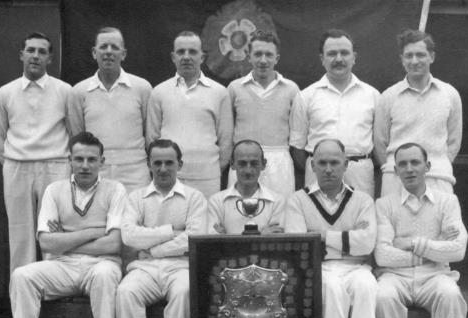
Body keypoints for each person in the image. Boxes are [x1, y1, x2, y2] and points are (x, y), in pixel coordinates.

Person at [3, 132, 127, 318]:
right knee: (22, 275)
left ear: (102, 161)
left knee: (104, 275)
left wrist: (67, 240)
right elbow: (46, 241)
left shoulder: (115, 190)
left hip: (102, 265)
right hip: (63, 266)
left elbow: (114, 244)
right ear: (69, 160)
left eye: (91, 159)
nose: (85, 165)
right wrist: (93, 232)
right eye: (78, 158)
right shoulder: (54, 190)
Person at [0, 31, 72, 318]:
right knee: (22, 242)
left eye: (42, 52)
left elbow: (74, 132)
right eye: (30, 51)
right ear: (21, 55)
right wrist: (15, 164)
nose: (35, 56)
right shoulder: (6, 92)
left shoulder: (64, 91)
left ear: (50, 58)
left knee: (54, 240)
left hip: (55, 167)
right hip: (17, 168)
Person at [285, 139, 382, 318]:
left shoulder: (363, 200)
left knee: (366, 285)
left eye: (335, 163)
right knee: (331, 287)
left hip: (356, 268)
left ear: (346, 165)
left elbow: (367, 244)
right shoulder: (298, 200)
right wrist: (348, 238)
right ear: (312, 165)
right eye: (322, 163)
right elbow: (299, 246)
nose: (328, 169)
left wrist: (322, 236)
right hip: (319, 269)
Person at [375, 142, 468, 318]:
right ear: (395, 170)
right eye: (403, 164)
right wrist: (433, 250)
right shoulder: (384, 205)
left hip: (435, 276)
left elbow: (458, 249)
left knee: (450, 293)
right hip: (395, 276)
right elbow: (383, 255)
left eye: (415, 162)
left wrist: (412, 243)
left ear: (427, 166)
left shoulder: (448, 202)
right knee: (383, 296)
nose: (409, 169)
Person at [116, 139, 207, 318]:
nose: (163, 168)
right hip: (144, 268)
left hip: (181, 267)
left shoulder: (194, 197)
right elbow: (129, 236)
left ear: (180, 164)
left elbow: (194, 238)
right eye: (157, 163)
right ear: (149, 164)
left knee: (184, 292)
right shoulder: (136, 198)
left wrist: (152, 246)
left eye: (169, 162)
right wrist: (170, 231)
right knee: (126, 291)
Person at [289, 29, 379, 197]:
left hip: (360, 175)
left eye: (344, 53)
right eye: (332, 54)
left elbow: (380, 143)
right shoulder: (305, 96)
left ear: (354, 57)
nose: (339, 59)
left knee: (360, 222)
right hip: (319, 175)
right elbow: (298, 149)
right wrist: (322, 165)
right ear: (322, 59)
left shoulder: (373, 95)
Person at [374, 29, 463, 196]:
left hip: (438, 177)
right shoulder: (388, 97)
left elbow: (453, 141)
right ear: (402, 59)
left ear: (432, 57)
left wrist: (435, 165)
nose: (414, 61)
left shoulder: (450, 94)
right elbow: (380, 143)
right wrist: (400, 168)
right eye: (409, 56)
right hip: (396, 180)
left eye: (420, 55)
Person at [146, 31, 233, 199]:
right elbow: (152, 138)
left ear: (202, 57)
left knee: (206, 223)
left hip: (207, 177)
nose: (186, 57)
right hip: (168, 176)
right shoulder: (159, 92)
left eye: (192, 52)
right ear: (173, 57)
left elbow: (226, 141)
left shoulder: (219, 92)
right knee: (169, 223)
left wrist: (210, 168)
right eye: (181, 52)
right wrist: (165, 166)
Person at [69, 27, 152, 193]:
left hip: (136, 172)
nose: (108, 52)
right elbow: (77, 135)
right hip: (96, 171)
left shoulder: (142, 88)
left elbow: (149, 133)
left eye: (114, 47)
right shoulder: (79, 91)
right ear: (94, 52)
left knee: (134, 218)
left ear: (124, 53)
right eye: (103, 47)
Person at [227, 30, 299, 196]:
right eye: (258, 54)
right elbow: (227, 131)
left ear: (277, 58)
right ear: (249, 56)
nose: (263, 60)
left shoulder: (291, 89)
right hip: (243, 160)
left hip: (279, 162)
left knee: (280, 214)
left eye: (269, 54)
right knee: (240, 211)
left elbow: (297, 134)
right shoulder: (234, 88)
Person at [208, 140, 285, 234]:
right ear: (232, 164)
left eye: (254, 163)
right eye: (242, 164)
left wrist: (227, 238)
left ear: (263, 164)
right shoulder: (216, 201)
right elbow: (213, 243)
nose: (248, 171)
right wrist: (262, 236)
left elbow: (275, 243)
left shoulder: (277, 202)